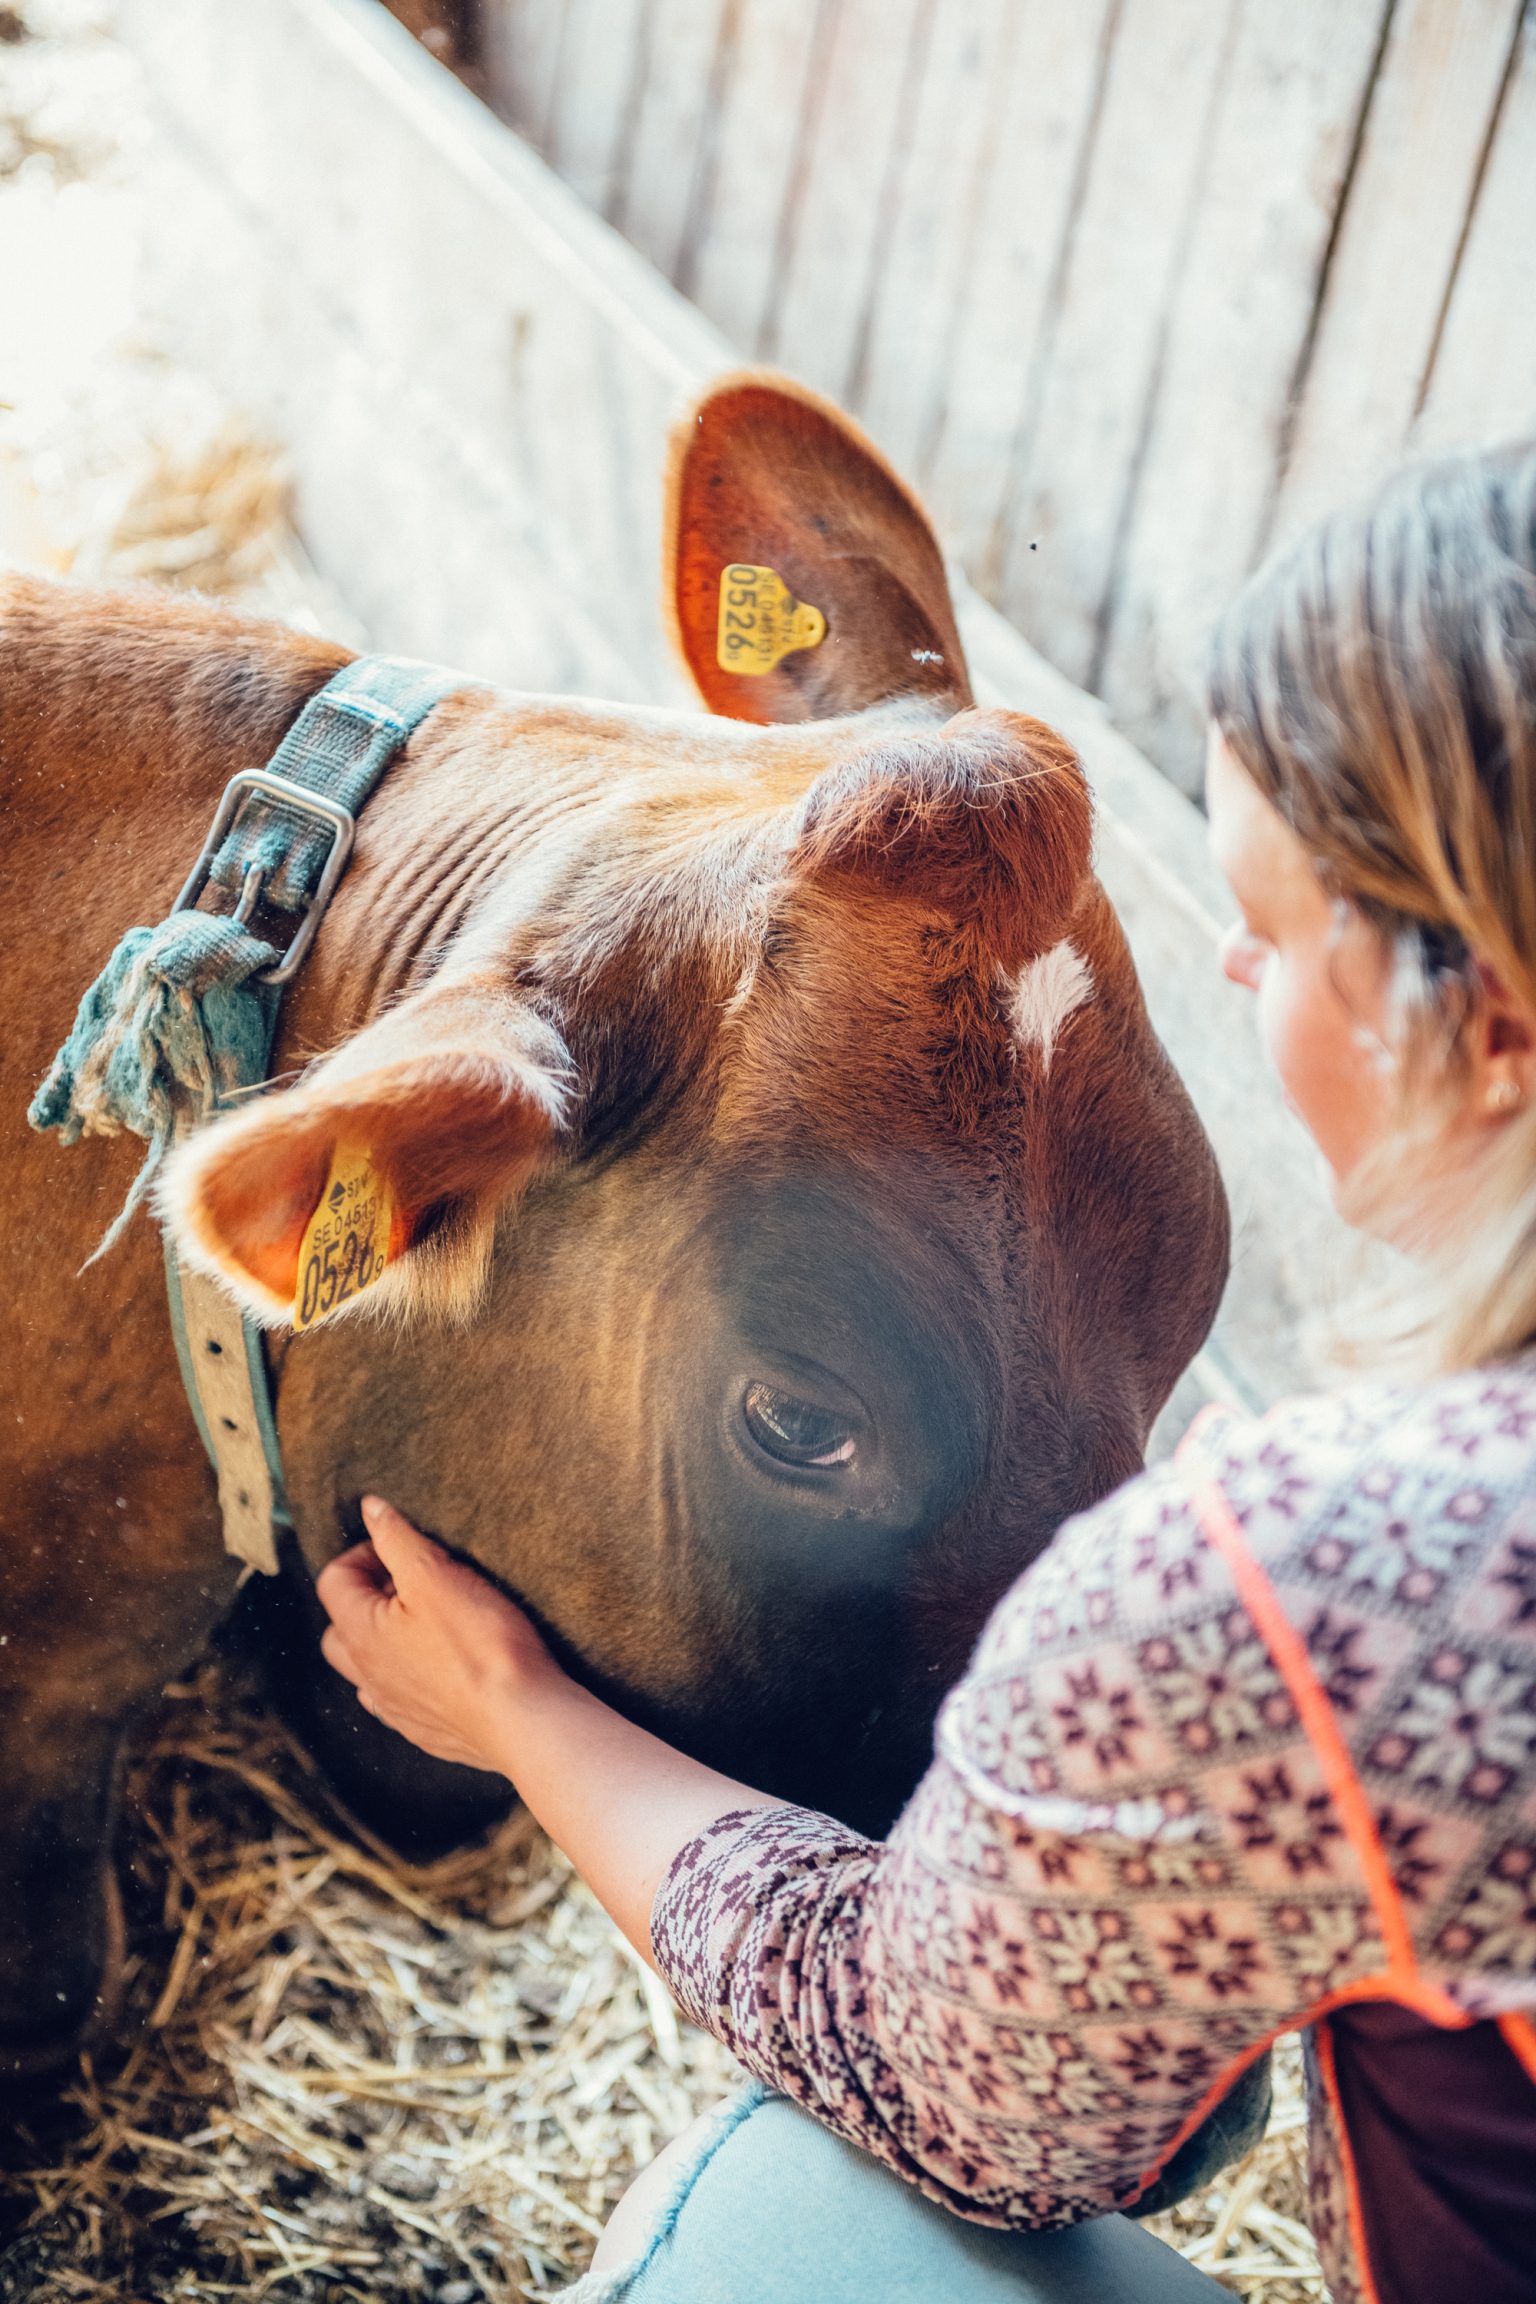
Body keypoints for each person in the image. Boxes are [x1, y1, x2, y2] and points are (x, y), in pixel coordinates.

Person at [317, 442, 1536, 2304]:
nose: (1226, 961)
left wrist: (522, 1721)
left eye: (1278, 930)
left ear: (1493, 1025)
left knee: (757, 2225)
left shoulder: (1323, 1584)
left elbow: (964, 2102)